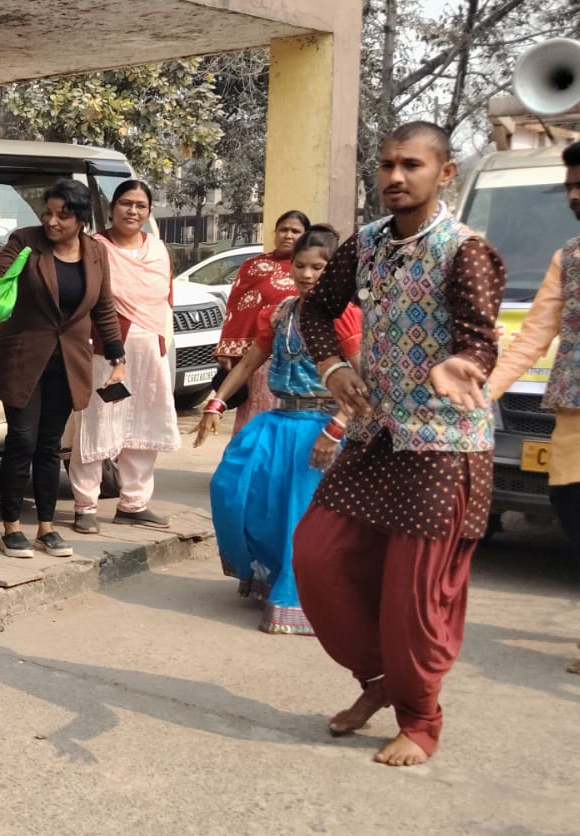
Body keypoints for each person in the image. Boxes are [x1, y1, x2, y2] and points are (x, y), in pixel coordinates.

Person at [292, 121, 504, 767]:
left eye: (411, 164)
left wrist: (462, 363)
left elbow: (479, 339)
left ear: (445, 173)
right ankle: (380, 678)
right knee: (316, 557)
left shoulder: (466, 250)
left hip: (442, 445)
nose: (394, 176)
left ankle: (420, 718)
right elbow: (313, 309)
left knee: (413, 596)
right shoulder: (365, 244)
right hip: (375, 434)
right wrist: (333, 366)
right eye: (386, 164)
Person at [195, 225, 361, 634]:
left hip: (322, 425)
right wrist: (216, 402)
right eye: (300, 266)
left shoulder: (344, 315)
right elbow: (250, 362)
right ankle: (266, 571)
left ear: (333, 271)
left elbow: (365, 381)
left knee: (298, 516)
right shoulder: (281, 312)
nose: (307, 274)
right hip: (277, 421)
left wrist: (337, 428)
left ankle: (301, 597)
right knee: (233, 489)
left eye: (318, 267)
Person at [487, 136, 580, 676]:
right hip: (574, 412)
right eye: (571, 186)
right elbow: (532, 336)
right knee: (572, 512)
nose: (574, 195)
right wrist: (484, 393)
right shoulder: (568, 258)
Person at [0, 179, 125, 559]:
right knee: (22, 440)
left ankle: (46, 527)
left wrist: (118, 358)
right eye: (48, 212)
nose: (51, 221)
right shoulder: (26, 241)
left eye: (62, 215)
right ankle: (11, 527)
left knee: (50, 445)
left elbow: (104, 308)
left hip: (68, 362)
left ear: (80, 219)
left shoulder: (96, 252)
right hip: (23, 358)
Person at [69, 181, 179, 534]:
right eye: (126, 203)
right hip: (107, 350)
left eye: (141, 206)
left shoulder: (157, 248)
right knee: (96, 423)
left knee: (145, 422)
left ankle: (134, 504)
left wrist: (162, 341)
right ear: (112, 207)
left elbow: (166, 298)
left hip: (151, 348)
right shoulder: (95, 247)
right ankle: (85, 505)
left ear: (149, 212)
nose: (133, 211)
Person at [214, 210, 311, 432]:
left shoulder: (311, 270)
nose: (288, 235)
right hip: (259, 359)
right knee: (256, 419)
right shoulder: (253, 266)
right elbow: (237, 309)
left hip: (302, 363)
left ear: (306, 235)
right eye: (283, 230)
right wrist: (228, 349)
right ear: (275, 233)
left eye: (295, 231)